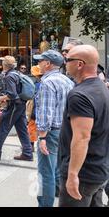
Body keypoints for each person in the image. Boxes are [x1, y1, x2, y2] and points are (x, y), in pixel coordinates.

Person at [59, 45, 109, 207]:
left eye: (68, 60)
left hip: (84, 174)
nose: (65, 62)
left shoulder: (80, 95)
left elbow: (82, 137)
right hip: (99, 168)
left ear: (79, 64)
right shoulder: (101, 87)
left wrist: (73, 174)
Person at [33, 50, 74, 207]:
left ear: (48, 64)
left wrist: (42, 136)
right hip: (65, 130)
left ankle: (45, 204)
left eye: (40, 61)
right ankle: (58, 195)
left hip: (50, 133)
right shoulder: (67, 81)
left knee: (45, 173)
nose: (38, 64)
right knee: (57, 168)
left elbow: (45, 112)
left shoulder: (47, 82)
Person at [0, 56, 33, 161]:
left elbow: (12, 95)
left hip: (14, 105)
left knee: (2, 127)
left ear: (5, 65)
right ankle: (27, 152)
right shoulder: (17, 73)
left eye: (3, 62)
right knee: (22, 129)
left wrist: (2, 98)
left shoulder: (9, 76)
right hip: (20, 104)